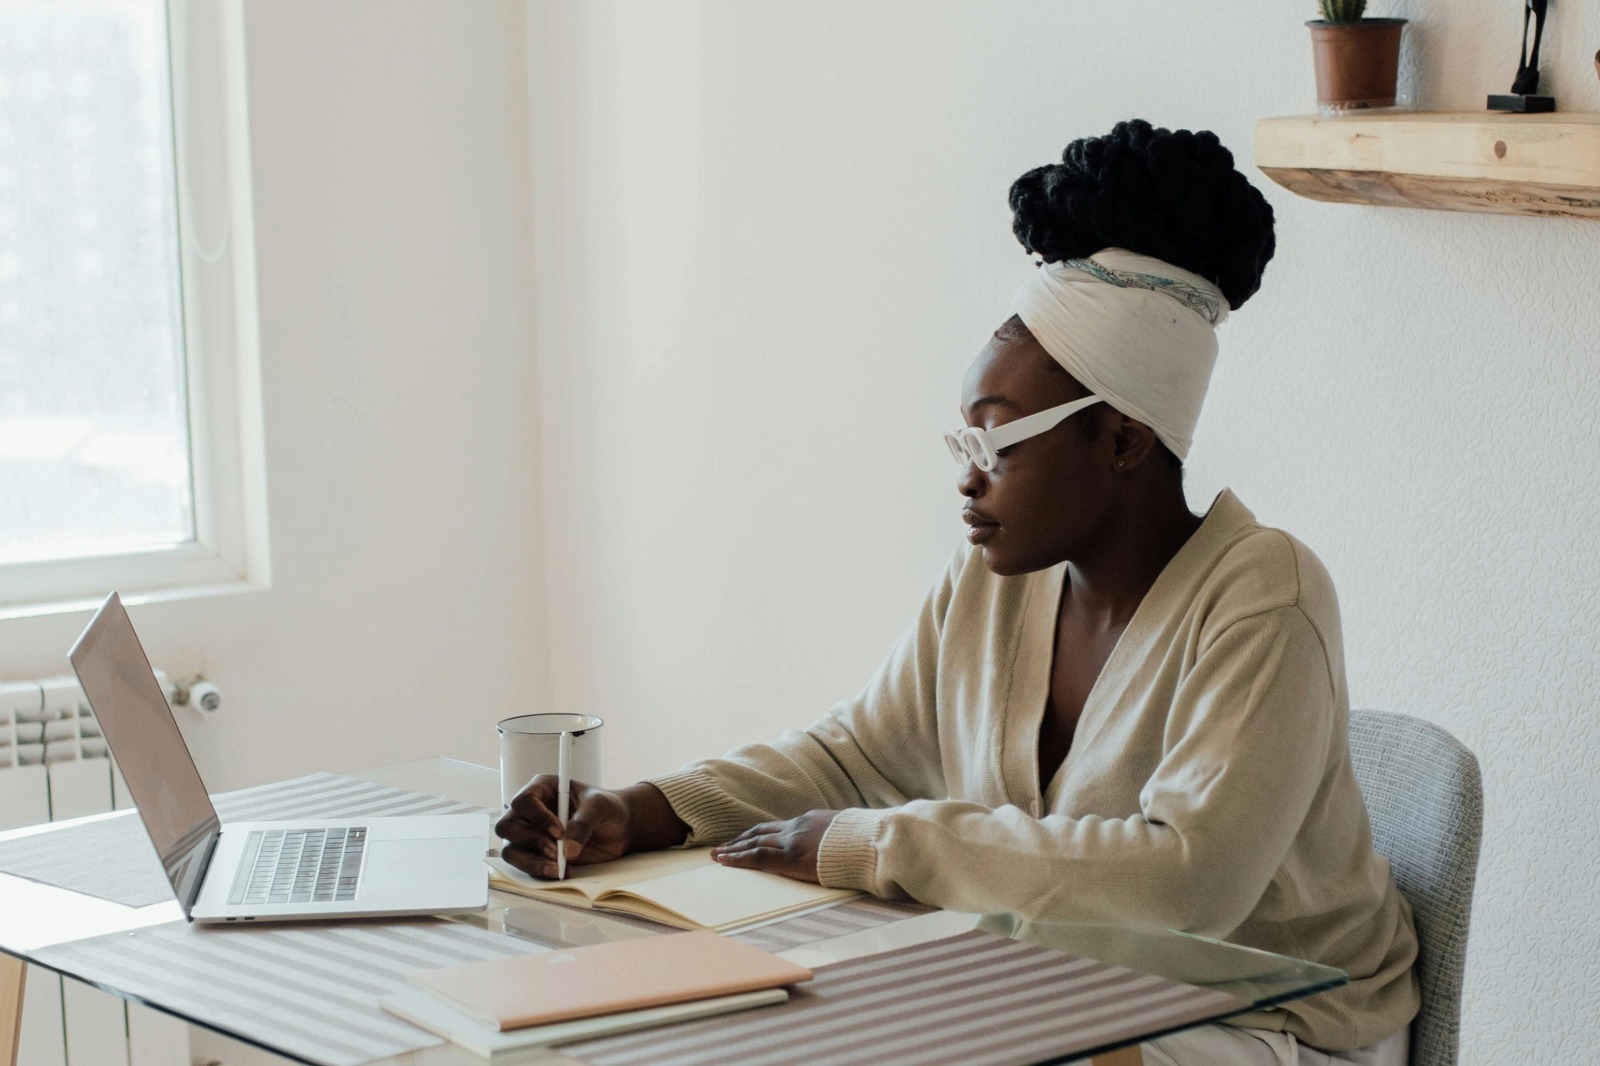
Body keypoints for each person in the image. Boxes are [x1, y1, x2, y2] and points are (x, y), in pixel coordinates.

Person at [496, 119, 1420, 1066]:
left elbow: (1186, 885)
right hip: (1079, 985)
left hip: (1276, 1019)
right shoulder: (996, 584)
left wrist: (874, 845)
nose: (969, 478)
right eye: (965, 441)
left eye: (999, 439)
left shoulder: (1266, 595)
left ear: (1123, 440)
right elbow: (853, 757)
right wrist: (640, 810)